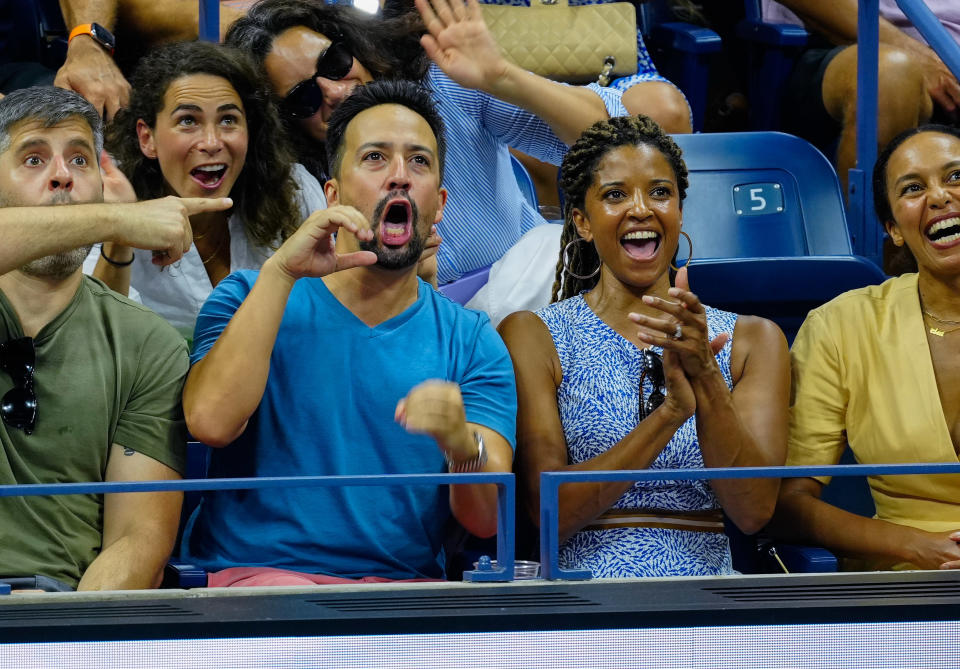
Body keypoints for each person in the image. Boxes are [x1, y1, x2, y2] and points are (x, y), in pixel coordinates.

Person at [180, 80, 516, 586]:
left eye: (419, 162)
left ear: (440, 203)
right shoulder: (246, 294)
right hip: (255, 582)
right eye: (376, 158)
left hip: (398, 599)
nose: (400, 176)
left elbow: (486, 519)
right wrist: (279, 275)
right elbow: (210, 422)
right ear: (332, 194)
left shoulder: (473, 341)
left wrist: (460, 445)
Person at [498, 115, 789, 578]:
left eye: (660, 192)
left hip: (711, 602)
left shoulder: (752, 340)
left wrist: (707, 378)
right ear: (583, 222)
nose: (641, 209)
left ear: (678, 211)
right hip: (585, 600)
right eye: (615, 195)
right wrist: (669, 414)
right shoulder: (534, 335)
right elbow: (548, 515)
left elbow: (753, 511)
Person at [224, 0, 631, 284]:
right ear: (282, 124)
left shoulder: (445, 82)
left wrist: (502, 77)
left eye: (334, 62)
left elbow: (619, 141)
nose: (333, 90)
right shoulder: (298, 188)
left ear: (355, 46)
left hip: (538, 290)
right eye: (303, 98)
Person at [0, 86, 224, 591]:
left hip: (61, 613)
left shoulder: (146, 342)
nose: (60, 175)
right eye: (32, 158)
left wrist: (68, 639)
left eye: (80, 160)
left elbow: (139, 538)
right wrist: (117, 219)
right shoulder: (111, 217)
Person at [769, 124, 960, 571]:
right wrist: (919, 548)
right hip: (911, 582)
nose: (939, 197)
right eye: (913, 188)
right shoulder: (843, 325)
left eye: (955, 176)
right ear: (893, 228)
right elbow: (788, 502)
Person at [85, 40, 326, 338]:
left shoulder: (295, 189)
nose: (212, 142)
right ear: (147, 138)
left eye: (228, 120)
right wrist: (119, 231)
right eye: (188, 121)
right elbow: (96, 341)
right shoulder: (104, 198)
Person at [762, 0, 960, 202]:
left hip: (949, 65)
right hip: (833, 47)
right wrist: (921, 57)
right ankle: (865, 230)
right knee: (889, 74)